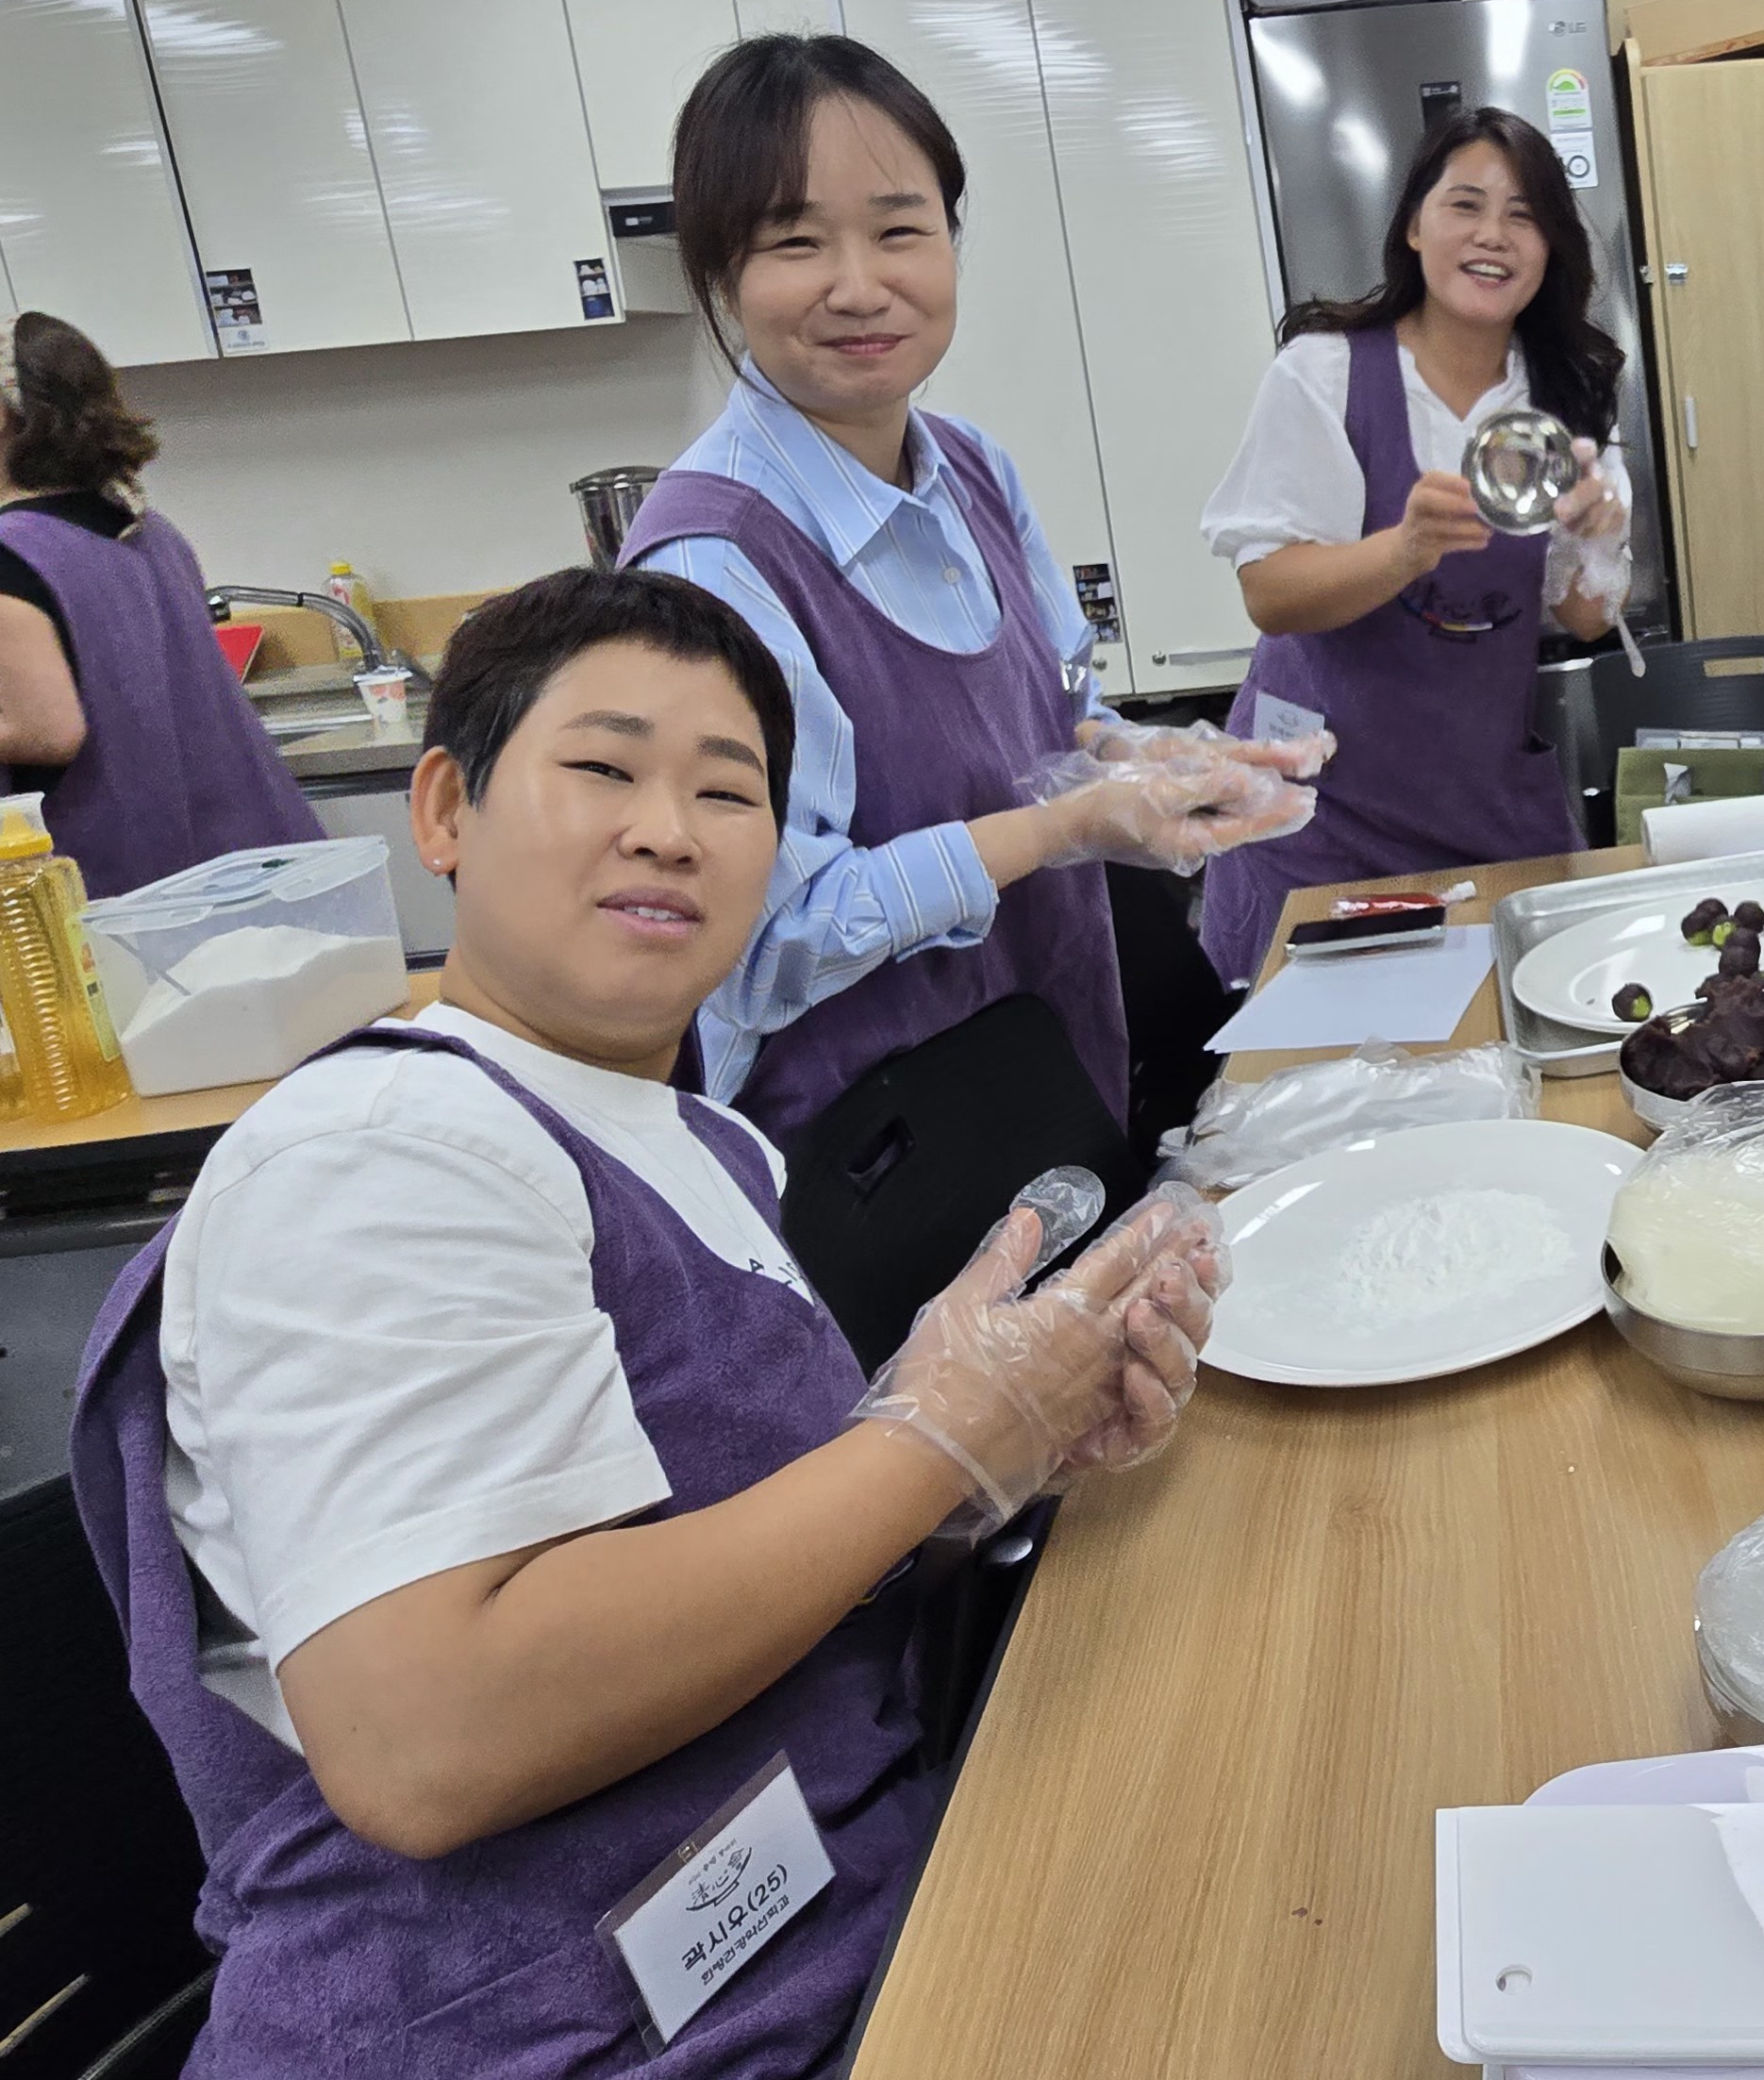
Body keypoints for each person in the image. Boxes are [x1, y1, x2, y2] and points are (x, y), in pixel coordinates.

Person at [71, 564, 1219, 2073]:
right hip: (521, 2026)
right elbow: (429, 1738)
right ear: (443, 813)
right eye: (602, 768)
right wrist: (939, 1443)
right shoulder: (378, 1160)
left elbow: (727, 1547)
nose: (667, 830)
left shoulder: (681, 1135)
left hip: (812, 1940)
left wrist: (1010, 1447)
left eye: (728, 795)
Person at [624, 35, 1321, 1155]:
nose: (862, 285)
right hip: (873, 1168)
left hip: (1051, 1090)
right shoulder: (712, 565)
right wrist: (1059, 829)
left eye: (902, 229)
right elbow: (759, 949)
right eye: (797, 242)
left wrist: (1156, 764)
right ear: (721, 273)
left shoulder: (972, 471)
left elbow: (1044, 728)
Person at [1196, 106, 1632, 986]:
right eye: (1465, 205)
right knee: (1322, 1080)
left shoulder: (1563, 398)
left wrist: (1603, 536)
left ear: (1551, 249)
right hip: (1320, 810)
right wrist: (1404, 548)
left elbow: (1586, 618)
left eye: (1524, 216)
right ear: (1413, 225)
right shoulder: (1326, 372)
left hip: (1476, 798)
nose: (1493, 236)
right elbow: (1272, 593)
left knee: (1516, 1039)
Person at [0, 311, 316, 894]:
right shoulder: (148, 529)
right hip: (254, 865)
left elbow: (49, 731)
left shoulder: (12, 554)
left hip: (130, 890)